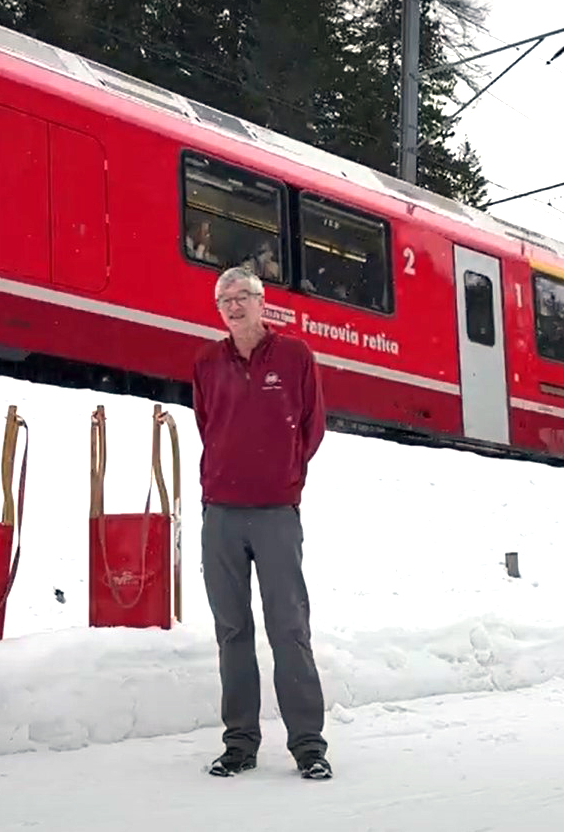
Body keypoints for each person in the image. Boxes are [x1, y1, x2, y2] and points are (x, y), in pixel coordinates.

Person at [191, 265, 332, 781]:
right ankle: (240, 744)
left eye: (243, 296)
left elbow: (312, 426)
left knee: (289, 628)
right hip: (221, 514)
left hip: (275, 513)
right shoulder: (207, 362)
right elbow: (207, 423)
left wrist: (286, 475)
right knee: (232, 630)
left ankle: (308, 746)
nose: (233, 306)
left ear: (262, 302)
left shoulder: (295, 356)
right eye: (224, 299)